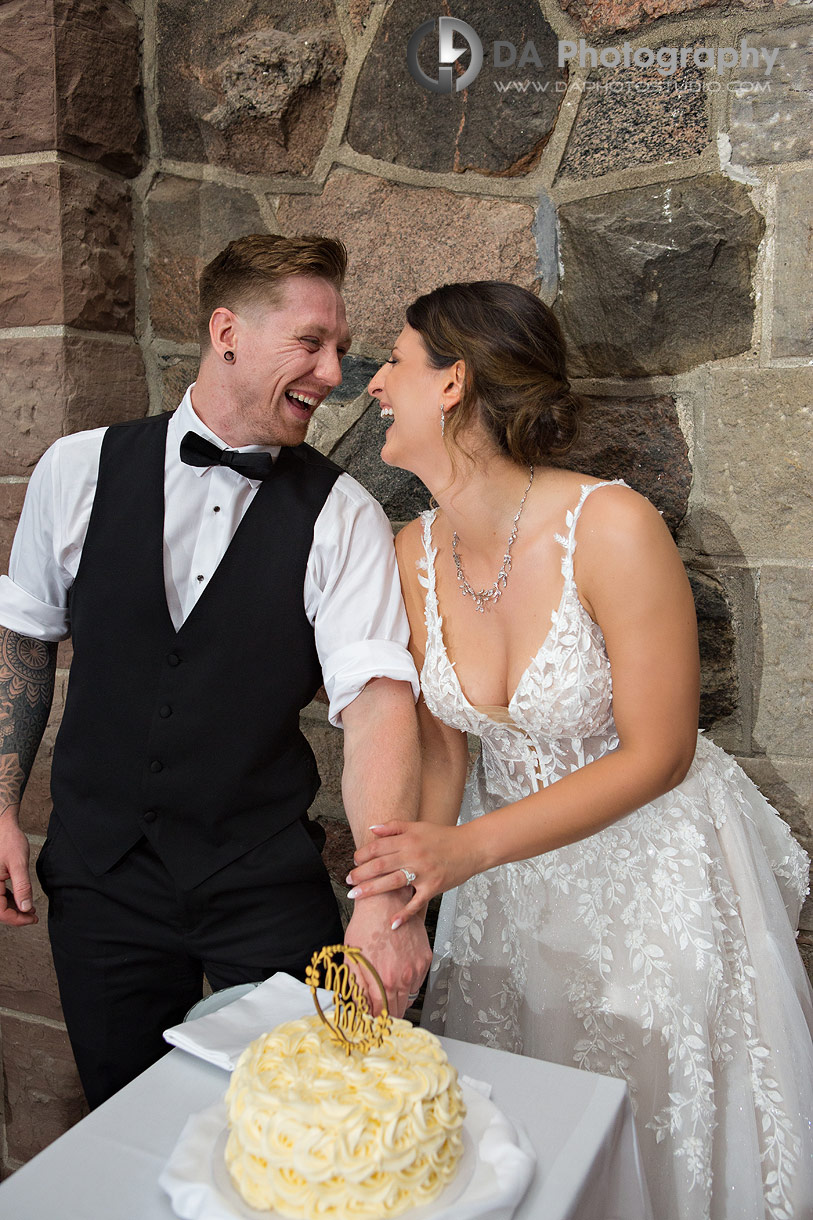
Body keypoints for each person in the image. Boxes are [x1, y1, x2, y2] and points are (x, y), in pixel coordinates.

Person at [347, 280, 813, 1219]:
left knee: (662, 1125)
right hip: (509, 896)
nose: (373, 388)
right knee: (532, 1145)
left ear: (452, 383)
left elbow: (661, 753)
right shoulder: (409, 551)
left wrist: (466, 851)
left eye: (393, 362)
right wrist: (402, 895)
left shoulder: (610, 525)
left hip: (655, 875)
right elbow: (441, 754)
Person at [0, 234, 431, 1109]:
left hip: (263, 879)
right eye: (311, 343)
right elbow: (24, 642)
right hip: (100, 879)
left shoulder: (341, 514)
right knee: (124, 1120)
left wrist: (383, 908)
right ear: (227, 331)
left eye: (340, 348)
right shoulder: (75, 469)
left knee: (323, 1111)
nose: (333, 371)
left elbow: (379, 706)